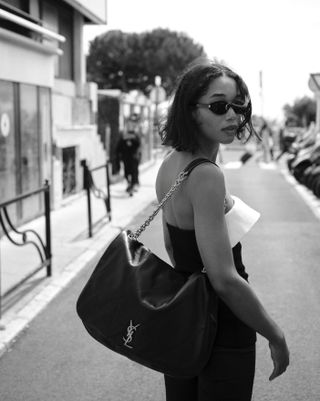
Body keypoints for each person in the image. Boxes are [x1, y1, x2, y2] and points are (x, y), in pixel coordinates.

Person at [155, 59, 289, 401]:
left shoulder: (170, 165)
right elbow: (225, 279)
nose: (233, 116)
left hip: (184, 323)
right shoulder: (206, 175)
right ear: (191, 110)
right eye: (219, 106)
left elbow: (173, 248)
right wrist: (274, 334)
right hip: (222, 329)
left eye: (239, 106)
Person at [116, 115, 141, 196]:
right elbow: (119, 147)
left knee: (134, 172)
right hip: (126, 157)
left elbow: (138, 144)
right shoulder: (123, 134)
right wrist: (118, 156)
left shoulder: (136, 134)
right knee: (127, 173)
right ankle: (130, 185)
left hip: (134, 157)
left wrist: (132, 140)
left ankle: (133, 186)